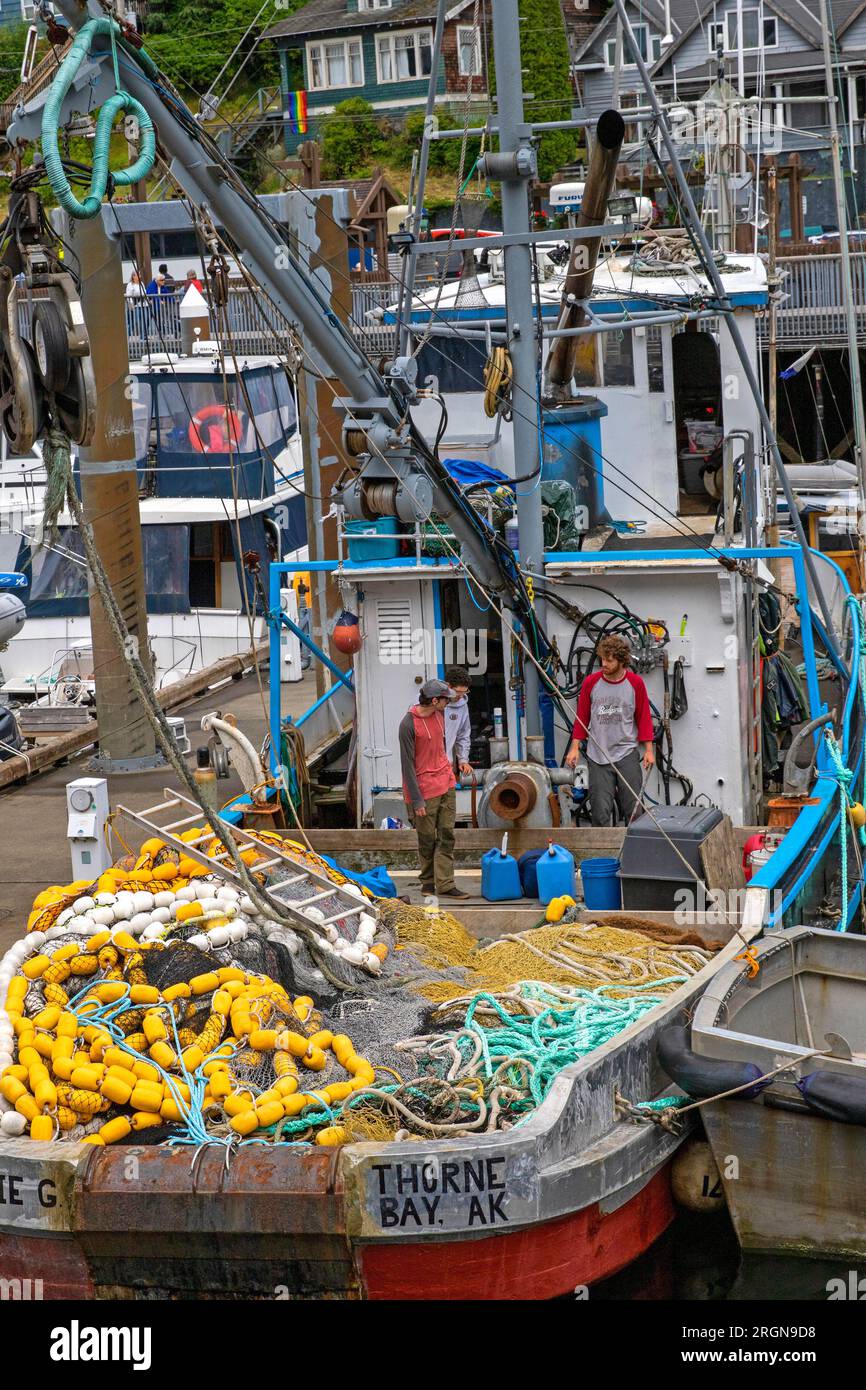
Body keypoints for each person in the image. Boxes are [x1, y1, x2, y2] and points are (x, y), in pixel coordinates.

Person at [565, 634, 655, 827]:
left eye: (609, 660)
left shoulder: (635, 684)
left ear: (621, 661)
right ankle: (604, 856)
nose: (604, 663)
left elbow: (644, 718)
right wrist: (574, 747)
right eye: (602, 659)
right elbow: (581, 717)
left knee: (634, 811)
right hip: (598, 755)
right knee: (600, 811)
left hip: (626, 753)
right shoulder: (591, 682)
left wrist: (649, 750)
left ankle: (635, 854)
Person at [399, 678, 468, 899]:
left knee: (447, 834)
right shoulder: (408, 724)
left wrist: (452, 772)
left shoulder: (439, 716)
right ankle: (428, 881)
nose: (449, 702)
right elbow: (407, 765)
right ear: (435, 700)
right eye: (445, 699)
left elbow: (441, 748)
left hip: (445, 783)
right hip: (424, 790)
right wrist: (416, 800)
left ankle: (446, 883)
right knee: (426, 838)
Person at [443, 665, 473, 780]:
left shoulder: (462, 705)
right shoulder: (429, 702)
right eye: (458, 692)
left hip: (447, 766)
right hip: (428, 767)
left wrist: (463, 760)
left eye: (464, 692)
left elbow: (463, 735)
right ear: (448, 686)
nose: (461, 696)